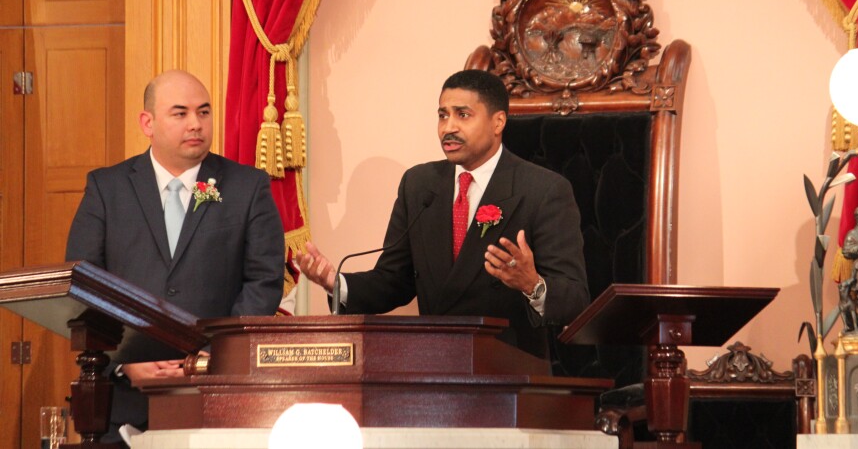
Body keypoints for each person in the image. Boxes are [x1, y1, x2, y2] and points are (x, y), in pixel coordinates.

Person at [297, 70, 589, 358]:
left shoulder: (543, 190)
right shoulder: (420, 184)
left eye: (463, 115)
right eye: (442, 115)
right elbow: (393, 281)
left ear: (498, 121)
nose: (448, 127)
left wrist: (532, 285)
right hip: (434, 364)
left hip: (510, 371)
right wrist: (337, 283)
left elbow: (575, 300)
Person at [65, 70, 285, 442]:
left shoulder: (248, 188)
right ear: (147, 122)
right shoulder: (107, 188)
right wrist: (125, 359)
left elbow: (262, 283)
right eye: (180, 113)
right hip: (122, 402)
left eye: (204, 112)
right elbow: (83, 285)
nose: (195, 124)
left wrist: (206, 358)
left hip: (214, 400)